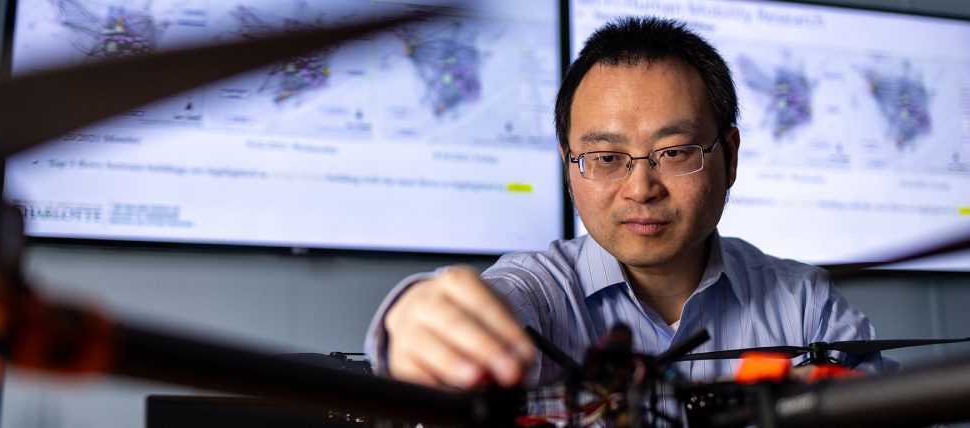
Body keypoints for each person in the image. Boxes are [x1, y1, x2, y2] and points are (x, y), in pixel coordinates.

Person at [364, 16, 895, 391]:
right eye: (605, 156)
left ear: (729, 158)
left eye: (674, 152)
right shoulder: (545, 293)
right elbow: (494, 302)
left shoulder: (805, 306)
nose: (641, 188)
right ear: (568, 165)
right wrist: (418, 317)